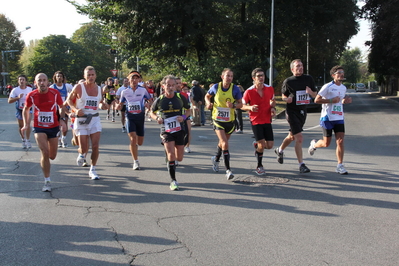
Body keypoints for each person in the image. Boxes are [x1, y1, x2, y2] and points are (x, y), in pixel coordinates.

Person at [21, 73, 64, 192]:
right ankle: (47, 181)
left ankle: (47, 176)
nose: (42, 83)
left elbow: (61, 106)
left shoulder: (55, 93)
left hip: (53, 126)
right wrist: (26, 124)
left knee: (52, 155)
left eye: (44, 80)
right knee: (45, 152)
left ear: (48, 82)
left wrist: (62, 119)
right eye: (39, 80)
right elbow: (26, 109)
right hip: (39, 127)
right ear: (35, 83)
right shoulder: (32, 95)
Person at [274, 59, 317, 173]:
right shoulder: (288, 81)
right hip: (291, 111)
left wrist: (310, 93)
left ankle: (280, 150)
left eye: (301, 66)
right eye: (298, 66)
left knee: (292, 136)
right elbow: (283, 95)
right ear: (292, 69)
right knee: (299, 138)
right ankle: (301, 164)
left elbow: (315, 94)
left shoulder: (308, 79)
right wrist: (286, 99)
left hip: (302, 111)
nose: (300, 68)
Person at [308, 65, 352, 175]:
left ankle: (340, 165)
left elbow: (340, 101)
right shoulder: (327, 86)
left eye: (342, 72)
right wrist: (331, 100)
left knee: (340, 141)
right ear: (333, 75)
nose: (341, 74)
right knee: (326, 143)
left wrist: (344, 101)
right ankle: (314, 145)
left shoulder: (343, 88)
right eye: (339, 72)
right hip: (327, 117)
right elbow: (317, 100)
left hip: (339, 117)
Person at [66, 66, 108, 180]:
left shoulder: (99, 89)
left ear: (96, 76)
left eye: (92, 75)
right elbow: (69, 100)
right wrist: (75, 110)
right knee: (84, 148)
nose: (91, 77)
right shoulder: (79, 87)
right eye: (88, 75)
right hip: (81, 120)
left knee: (95, 146)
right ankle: (81, 153)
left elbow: (99, 102)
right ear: (84, 76)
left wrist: (103, 106)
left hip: (94, 119)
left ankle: (93, 169)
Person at [150, 75, 190, 190]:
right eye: (168, 85)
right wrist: (157, 118)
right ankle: (173, 180)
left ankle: (170, 157)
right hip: (166, 130)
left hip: (179, 129)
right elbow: (151, 112)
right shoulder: (160, 100)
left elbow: (188, 110)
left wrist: (183, 117)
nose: (171, 87)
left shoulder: (180, 98)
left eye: (173, 85)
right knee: (171, 154)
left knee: (179, 157)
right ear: (163, 86)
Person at [205, 68, 243, 180]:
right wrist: (208, 103)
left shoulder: (235, 89)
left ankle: (216, 159)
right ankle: (228, 170)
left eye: (231, 76)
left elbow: (241, 104)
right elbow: (207, 96)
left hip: (230, 121)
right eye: (227, 75)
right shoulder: (216, 87)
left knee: (223, 143)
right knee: (224, 143)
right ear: (222, 77)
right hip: (217, 119)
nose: (229, 78)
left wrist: (234, 106)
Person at [241, 68, 276, 175]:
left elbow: (273, 100)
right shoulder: (249, 91)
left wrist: (273, 108)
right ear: (254, 78)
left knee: (269, 145)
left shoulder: (269, 88)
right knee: (262, 145)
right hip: (255, 121)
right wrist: (250, 107)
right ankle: (259, 166)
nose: (261, 78)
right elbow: (242, 105)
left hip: (267, 120)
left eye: (263, 75)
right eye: (259, 76)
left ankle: (257, 146)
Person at [117, 72, 152, 170]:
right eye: (133, 78)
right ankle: (135, 161)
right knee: (132, 139)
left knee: (139, 142)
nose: (134, 80)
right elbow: (121, 103)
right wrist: (118, 106)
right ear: (129, 80)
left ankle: (136, 147)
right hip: (130, 117)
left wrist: (148, 105)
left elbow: (150, 100)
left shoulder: (143, 90)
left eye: (137, 78)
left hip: (140, 117)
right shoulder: (125, 92)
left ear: (139, 80)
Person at [8, 75, 33, 149]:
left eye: (23, 79)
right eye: (20, 80)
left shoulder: (30, 89)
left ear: (26, 81)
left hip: (28, 109)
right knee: (21, 126)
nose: (21, 81)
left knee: (27, 125)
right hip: (19, 110)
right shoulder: (15, 90)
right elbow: (9, 101)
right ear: (18, 81)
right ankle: (23, 140)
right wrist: (17, 97)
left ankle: (28, 140)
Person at [50, 71, 73, 148]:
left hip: (64, 108)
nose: (59, 77)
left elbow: (73, 94)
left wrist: (69, 101)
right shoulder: (52, 87)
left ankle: (64, 138)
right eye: (58, 76)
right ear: (55, 78)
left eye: (60, 76)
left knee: (64, 124)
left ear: (63, 78)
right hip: (55, 109)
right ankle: (59, 139)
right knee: (57, 125)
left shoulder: (67, 86)